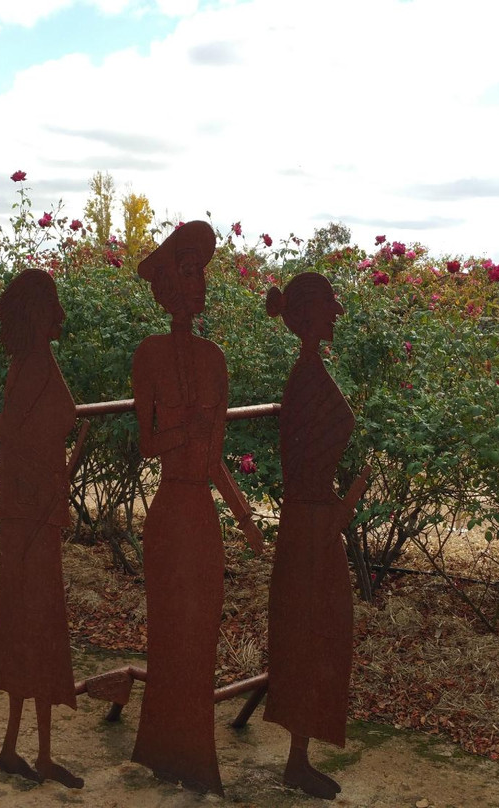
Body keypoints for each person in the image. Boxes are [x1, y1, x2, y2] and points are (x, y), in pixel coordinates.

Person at [130, 221, 264, 796]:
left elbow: (214, 461)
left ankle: (195, 752)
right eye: (189, 272)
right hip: (169, 511)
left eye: (202, 273)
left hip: (201, 515)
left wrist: (245, 517)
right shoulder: (150, 355)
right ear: (167, 285)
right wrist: (181, 430)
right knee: (169, 634)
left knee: (200, 633)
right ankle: (165, 747)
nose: (200, 283)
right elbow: (147, 443)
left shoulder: (214, 359)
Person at [263, 272, 362, 800]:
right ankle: (297, 758)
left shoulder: (309, 372)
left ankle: (300, 753)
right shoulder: (304, 378)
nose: (335, 315)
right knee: (309, 631)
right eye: (328, 307)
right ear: (307, 316)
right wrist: (333, 512)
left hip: (315, 517)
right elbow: (300, 463)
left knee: (320, 629)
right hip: (310, 523)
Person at [0, 269, 83, 789]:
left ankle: (36, 750)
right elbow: (11, 432)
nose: (60, 316)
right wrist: (40, 475)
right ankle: (22, 748)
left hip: (35, 516)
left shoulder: (34, 362)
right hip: (29, 519)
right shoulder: (31, 366)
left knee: (38, 631)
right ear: (35, 314)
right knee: (32, 629)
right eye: (52, 307)